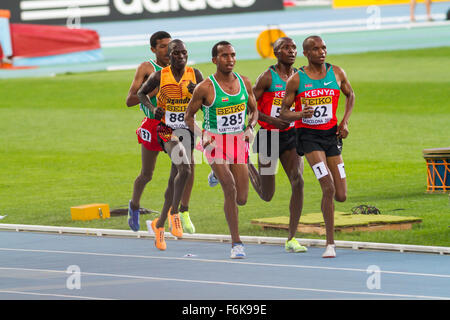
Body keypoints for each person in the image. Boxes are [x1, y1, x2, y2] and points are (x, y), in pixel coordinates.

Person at [280, 35, 355, 258]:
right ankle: (330, 244)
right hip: (309, 137)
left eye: (323, 48)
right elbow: (283, 112)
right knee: (328, 187)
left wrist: (345, 122)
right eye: (315, 49)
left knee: (341, 194)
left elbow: (351, 95)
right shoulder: (297, 79)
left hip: (331, 137)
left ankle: (329, 222)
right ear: (306, 53)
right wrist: (299, 114)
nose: (321, 52)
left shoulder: (337, 72)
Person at [185, 41, 258, 259]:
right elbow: (189, 117)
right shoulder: (205, 88)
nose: (230, 59)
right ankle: (236, 243)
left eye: (233, 55)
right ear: (215, 60)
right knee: (230, 188)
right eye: (224, 56)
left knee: (242, 198)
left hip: (238, 142)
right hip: (214, 143)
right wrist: (202, 134)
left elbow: (255, 112)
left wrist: (250, 127)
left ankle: (216, 173)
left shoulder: (244, 83)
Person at [125, 32, 196, 235]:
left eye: (170, 46)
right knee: (147, 174)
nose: (167, 50)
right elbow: (130, 99)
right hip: (153, 125)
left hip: (177, 128)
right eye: (163, 46)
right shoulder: (148, 69)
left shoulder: (185, 71)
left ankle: (182, 212)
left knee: (185, 167)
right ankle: (134, 205)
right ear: (153, 50)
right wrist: (155, 92)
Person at [138, 39, 203, 250]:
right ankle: (175, 212)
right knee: (185, 168)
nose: (181, 56)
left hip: (187, 131)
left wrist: (197, 93)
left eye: (184, 53)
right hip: (167, 131)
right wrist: (151, 107)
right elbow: (141, 94)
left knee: (172, 181)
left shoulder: (196, 75)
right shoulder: (160, 75)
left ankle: (159, 226)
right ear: (170, 55)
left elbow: (209, 102)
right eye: (176, 53)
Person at [248, 37, 308, 253]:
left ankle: (292, 238)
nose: (291, 51)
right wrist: (272, 120)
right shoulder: (267, 77)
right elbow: (250, 107)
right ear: (276, 52)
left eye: (293, 47)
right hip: (268, 136)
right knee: (267, 195)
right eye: (286, 48)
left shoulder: (300, 76)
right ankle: (244, 163)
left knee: (298, 180)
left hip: (291, 135)